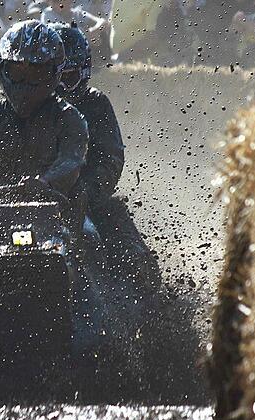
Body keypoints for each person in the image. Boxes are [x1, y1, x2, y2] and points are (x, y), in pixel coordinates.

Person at [0, 20, 105, 355]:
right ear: (2, 70)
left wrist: (42, 185)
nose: (25, 83)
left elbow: (71, 164)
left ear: (53, 74)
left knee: (90, 240)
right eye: (17, 72)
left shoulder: (70, 119)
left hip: (59, 215)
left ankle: (96, 336)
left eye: (35, 74)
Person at [51, 22, 159, 290]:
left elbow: (111, 159)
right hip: (32, 204)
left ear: (84, 74)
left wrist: (85, 191)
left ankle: (152, 313)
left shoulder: (95, 104)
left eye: (69, 77)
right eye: (52, 78)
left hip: (87, 199)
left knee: (137, 262)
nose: (60, 89)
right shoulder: (18, 112)